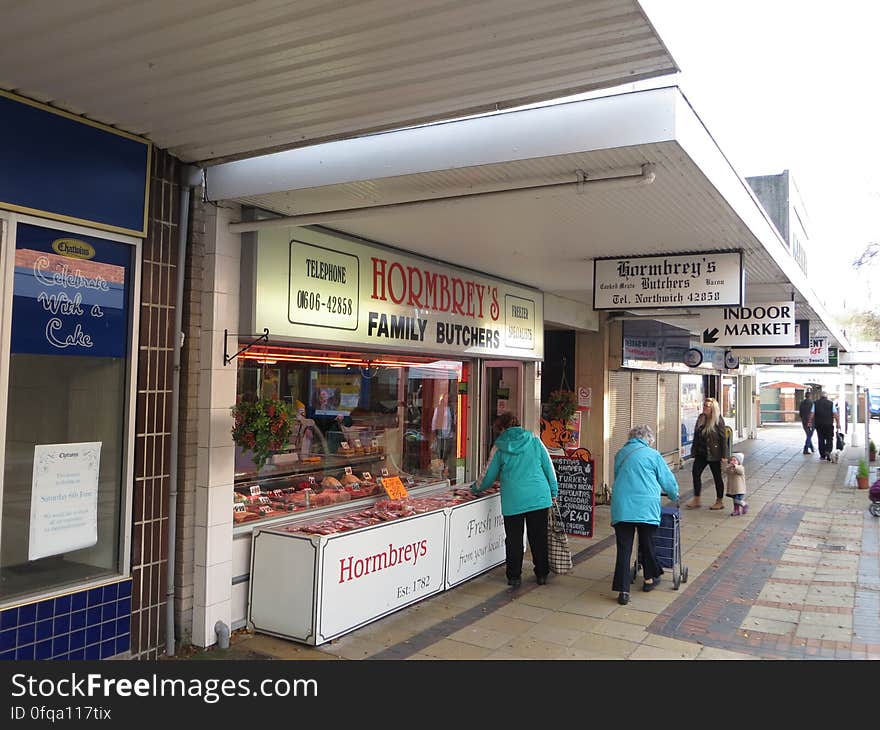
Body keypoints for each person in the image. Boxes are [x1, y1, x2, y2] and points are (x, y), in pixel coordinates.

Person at [471, 412, 558, 588]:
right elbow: (549, 467)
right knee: (538, 537)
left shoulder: (499, 446)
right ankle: (542, 574)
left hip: (513, 499)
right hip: (539, 497)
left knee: (514, 539)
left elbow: (488, 475)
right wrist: (553, 491)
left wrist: (474, 488)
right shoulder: (535, 440)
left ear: (502, 428)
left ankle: (514, 576)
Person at [610, 425, 680, 606]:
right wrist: (674, 495)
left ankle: (623, 591)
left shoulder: (620, 454)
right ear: (647, 439)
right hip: (646, 506)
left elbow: (618, 476)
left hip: (622, 506)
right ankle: (649, 579)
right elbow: (667, 480)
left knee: (623, 549)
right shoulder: (653, 455)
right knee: (647, 542)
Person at [684, 397, 728, 510]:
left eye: (707, 406)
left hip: (714, 453)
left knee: (717, 477)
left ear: (713, 408)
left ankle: (719, 501)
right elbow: (696, 436)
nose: (704, 408)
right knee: (695, 473)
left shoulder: (718, 420)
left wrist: (724, 456)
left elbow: (723, 438)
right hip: (701, 453)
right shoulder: (701, 418)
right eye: (704, 405)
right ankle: (697, 498)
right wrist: (693, 451)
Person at [814, 391, 839, 461]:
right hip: (829, 424)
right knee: (829, 439)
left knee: (821, 439)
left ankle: (822, 455)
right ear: (826, 396)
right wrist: (838, 423)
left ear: (820, 396)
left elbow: (812, 413)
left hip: (819, 425)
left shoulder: (815, 403)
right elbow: (835, 414)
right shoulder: (831, 404)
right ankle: (828, 451)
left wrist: (810, 422)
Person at [725, 452, 748, 516]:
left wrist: (736, 466)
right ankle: (736, 510)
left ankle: (744, 505)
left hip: (739, 489)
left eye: (735, 460)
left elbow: (740, 471)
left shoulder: (740, 467)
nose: (732, 461)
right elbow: (725, 470)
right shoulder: (730, 468)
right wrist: (725, 464)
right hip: (733, 489)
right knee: (734, 501)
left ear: (739, 461)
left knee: (737, 500)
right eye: (731, 460)